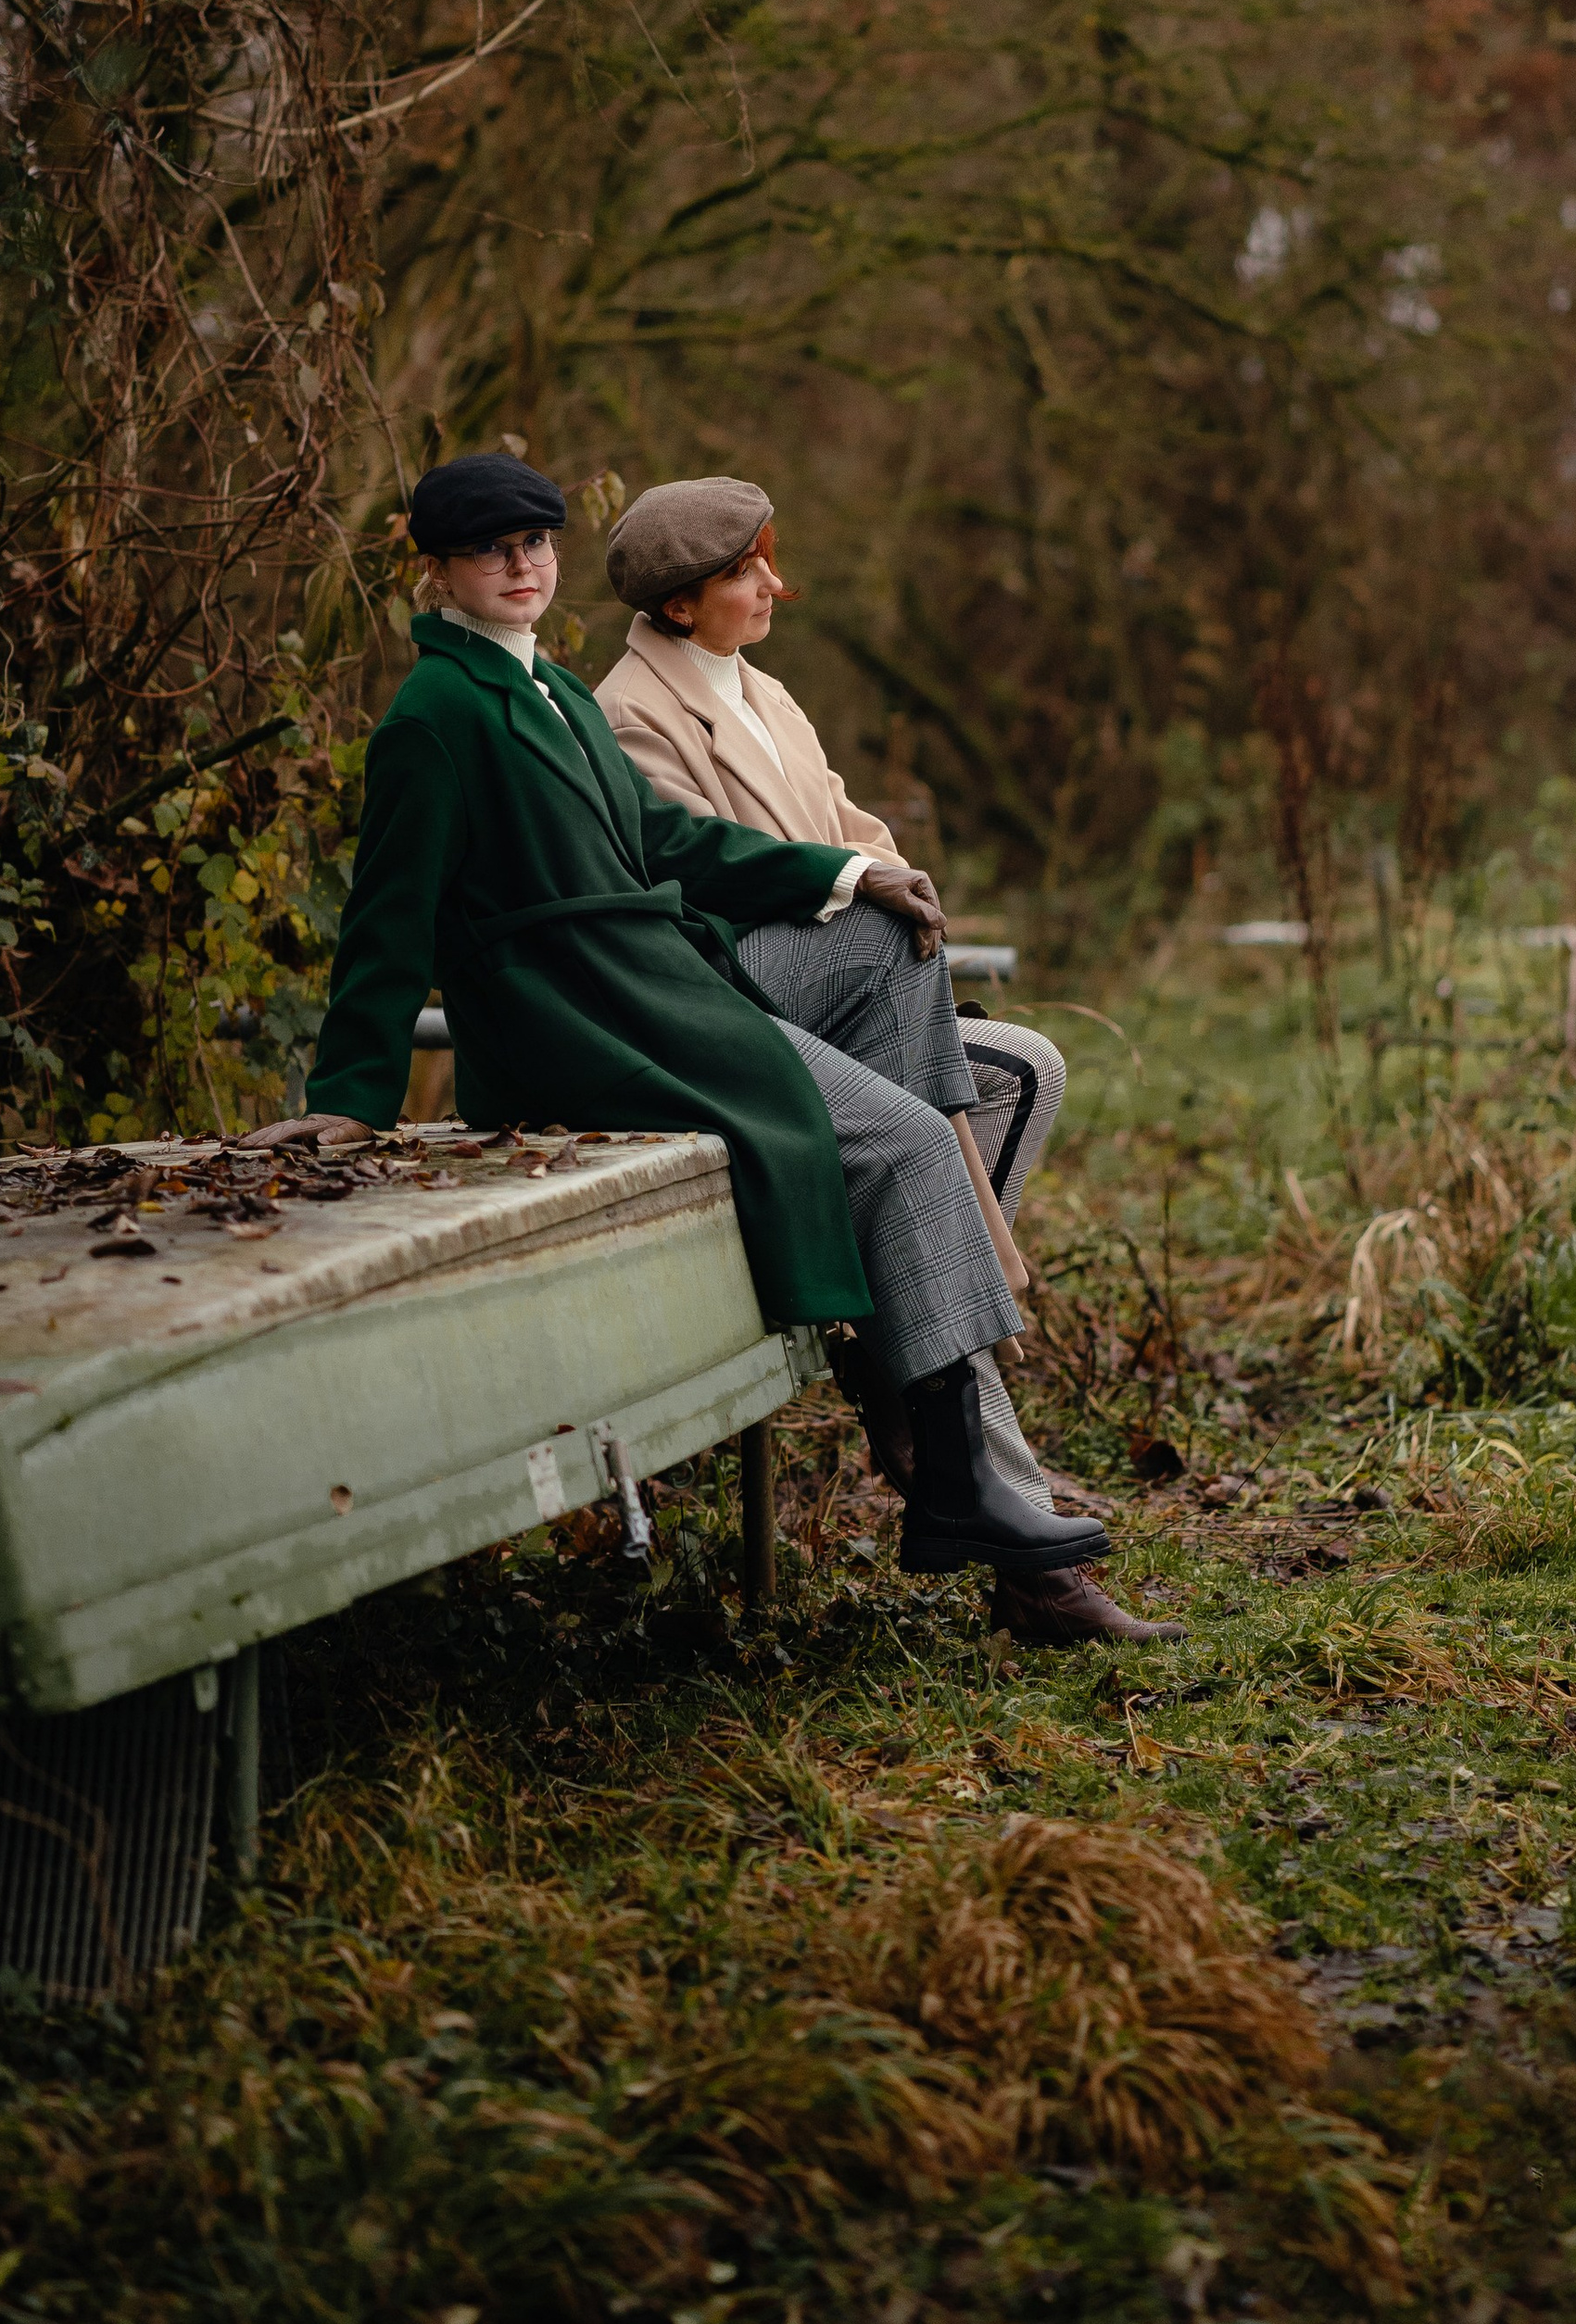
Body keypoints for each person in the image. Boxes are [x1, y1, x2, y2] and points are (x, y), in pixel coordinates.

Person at [249, 449, 1106, 1589]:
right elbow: (386, 917)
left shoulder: (547, 689)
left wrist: (846, 876)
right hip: (580, 1020)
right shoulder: (437, 712)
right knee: (901, 1138)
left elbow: (669, 846)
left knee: (894, 1026)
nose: (522, 565)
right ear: (439, 573)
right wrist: (351, 1099)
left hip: (656, 987)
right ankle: (954, 1475)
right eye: (491, 551)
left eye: (537, 545)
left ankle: (957, 1468)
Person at [591, 472, 1179, 1650]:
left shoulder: (767, 693)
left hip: (837, 995)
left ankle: (896, 1367)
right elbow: (711, 871)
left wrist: (878, 875)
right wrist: (866, 889)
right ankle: (972, 1453)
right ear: (676, 604)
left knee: (1027, 1067)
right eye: (743, 572)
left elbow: (852, 826)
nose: (769, 584)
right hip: (730, 996)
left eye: (764, 561)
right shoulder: (629, 715)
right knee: (881, 946)